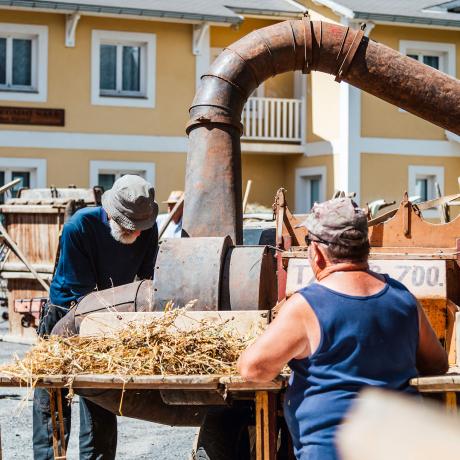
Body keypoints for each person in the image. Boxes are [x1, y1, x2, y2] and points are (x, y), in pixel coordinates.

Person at [237, 197, 448, 460]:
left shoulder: (308, 306)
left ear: (317, 252)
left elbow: (253, 368)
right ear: (365, 248)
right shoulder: (403, 298)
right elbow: (437, 364)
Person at [33, 174, 159, 460]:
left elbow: (150, 279)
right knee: (52, 403)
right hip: (66, 315)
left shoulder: (148, 230)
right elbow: (81, 294)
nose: (135, 233)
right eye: (129, 226)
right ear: (111, 213)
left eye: (139, 227)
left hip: (112, 319)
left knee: (102, 402)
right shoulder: (79, 226)